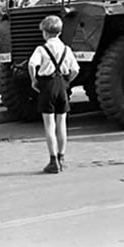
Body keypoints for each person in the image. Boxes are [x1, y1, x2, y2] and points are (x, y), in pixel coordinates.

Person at [28, 15, 80, 173]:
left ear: (45, 32)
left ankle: (53, 160)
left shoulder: (41, 49)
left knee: (49, 126)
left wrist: (33, 80)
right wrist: (67, 81)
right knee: (61, 124)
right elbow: (76, 69)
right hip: (61, 84)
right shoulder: (66, 49)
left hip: (47, 84)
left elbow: (31, 64)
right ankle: (62, 157)